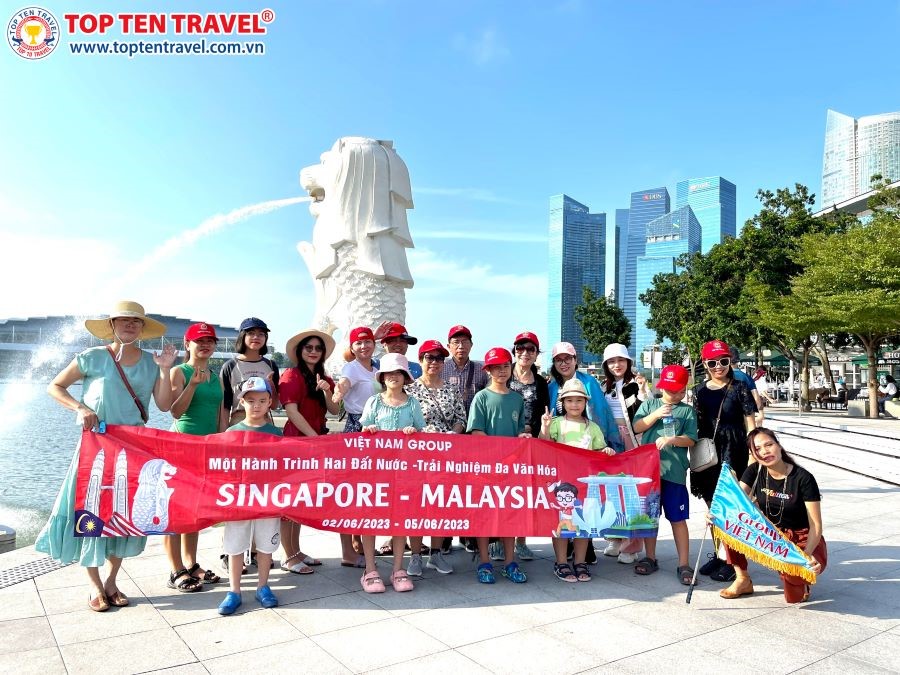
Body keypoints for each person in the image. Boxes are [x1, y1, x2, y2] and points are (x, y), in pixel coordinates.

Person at [36, 301, 177, 612]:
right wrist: (81, 408)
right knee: (92, 514)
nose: (130, 326)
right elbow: (55, 386)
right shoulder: (93, 357)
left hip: (132, 449)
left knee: (123, 515)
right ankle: (94, 585)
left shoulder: (151, 364)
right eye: (123, 321)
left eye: (136, 322)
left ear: (142, 329)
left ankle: (112, 581)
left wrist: (166, 369)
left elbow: (165, 406)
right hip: (95, 448)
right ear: (112, 325)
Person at [718, 428, 826, 603]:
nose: (765, 451)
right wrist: (716, 514)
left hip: (800, 536)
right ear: (753, 454)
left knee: (794, 595)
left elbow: (816, 526)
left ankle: (800, 581)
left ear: (779, 445)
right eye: (758, 449)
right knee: (727, 523)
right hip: (770, 533)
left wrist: (807, 554)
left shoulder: (803, 478)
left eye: (769, 444)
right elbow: (734, 502)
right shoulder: (755, 471)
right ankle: (742, 579)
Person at [358, 353, 425, 593]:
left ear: (405, 377)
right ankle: (370, 568)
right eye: (389, 373)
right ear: (383, 377)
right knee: (370, 517)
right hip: (375, 471)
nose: (393, 377)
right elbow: (363, 431)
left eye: (398, 373)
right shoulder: (374, 402)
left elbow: (421, 432)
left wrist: (412, 432)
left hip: (405, 471)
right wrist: (370, 429)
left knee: (400, 517)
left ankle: (398, 568)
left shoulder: (413, 402)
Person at [166, 322, 225, 592]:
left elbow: (219, 413)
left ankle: (191, 564)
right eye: (199, 341)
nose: (205, 345)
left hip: (207, 448)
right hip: (182, 446)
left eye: (210, 341)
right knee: (177, 508)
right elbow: (175, 411)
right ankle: (175, 569)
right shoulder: (180, 371)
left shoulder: (215, 375)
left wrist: (223, 441)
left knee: (195, 509)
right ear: (186, 345)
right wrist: (191, 384)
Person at [692, 340, 758, 582]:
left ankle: (734, 561)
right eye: (712, 362)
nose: (718, 367)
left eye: (723, 361)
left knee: (730, 507)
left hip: (735, 450)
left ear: (730, 361)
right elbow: (696, 423)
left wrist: (753, 455)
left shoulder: (739, 387)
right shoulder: (698, 391)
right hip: (709, 452)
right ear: (705, 364)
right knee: (713, 507)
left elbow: (751, 424)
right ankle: (721, 555)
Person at [218, 377, 283, 615]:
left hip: (268, 497)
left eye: (262, 401)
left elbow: (284, 465)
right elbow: (222, 465)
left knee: (266, 545)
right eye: (251, 400)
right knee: (235, 545)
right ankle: (234, 590)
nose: (256, 405)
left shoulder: (275, 432)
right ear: (241, 402)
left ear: (269, 404)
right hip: (239, 498)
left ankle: (263, 586)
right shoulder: (232, 432)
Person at [279, 328, 342, 573]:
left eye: (318, 348)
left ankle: (296, 551)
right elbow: (291, 412)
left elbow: (335, 410)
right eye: (309, 348)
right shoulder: (291, 375)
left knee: (301, 499)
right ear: (300, 351)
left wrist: (327, 389)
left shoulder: (323, 376)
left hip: (315, 441)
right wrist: (315, 439)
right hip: (297, 442)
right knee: (289, 500)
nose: (314, 352)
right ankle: (288, 556)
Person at [539, 378, 613, 583]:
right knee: (561, 524)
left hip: (585, 485)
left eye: (578, 400)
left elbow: (600, 451)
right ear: (563, 402)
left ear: (585, 403)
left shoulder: (593, 428)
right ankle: (561, 562)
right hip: (562, 484)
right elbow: (543, 446)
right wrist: (545, 428)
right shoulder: (556, 424)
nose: (574, 404)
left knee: (583, 524)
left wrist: (605, 451)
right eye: (569, 400)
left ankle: (580, 562)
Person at [467, 347, 531, 584]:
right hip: (485, 468)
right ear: (489, 370)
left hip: (511, 468)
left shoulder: (516, 398)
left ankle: (509, 562)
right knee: (484, 516)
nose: (501, 370)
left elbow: (519, 432)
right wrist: (498, 456)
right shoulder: (482, 397)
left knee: (509, 515)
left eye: (505, 366)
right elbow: (476, 432)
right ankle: (484, 562)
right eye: (496, 367)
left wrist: (520, 444)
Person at [632, 365, 698, 585]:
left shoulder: (687, 411)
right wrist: (656, 414)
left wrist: (672, 440)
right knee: (650, 517)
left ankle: (683, 563)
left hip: (674, 473)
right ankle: (650, 557)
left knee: (678, 518)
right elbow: (637, 427)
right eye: (670, 391)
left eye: (679, 391)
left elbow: (691, 439)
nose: (675, 395)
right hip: (649, 472)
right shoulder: (650, 404)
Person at [404, 339, 466, 574]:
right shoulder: (410, 390)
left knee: (441, 504)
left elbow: (461, 418)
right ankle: (416, 555)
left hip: (446, 455)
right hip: (418, 457)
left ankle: (436, 553)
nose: (435, 362)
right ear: (421, 360)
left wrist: (453, 433)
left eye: (439, 358)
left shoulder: (452, 389)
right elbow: (405, 421)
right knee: (417, 505)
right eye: (430, 357)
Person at [598, 343, 647, 564]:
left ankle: (631, 546)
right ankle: (615, 538)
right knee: (610, 492)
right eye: (611, 361)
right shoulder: (603, 387)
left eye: (620, 360)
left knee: (632, 494)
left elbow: (648, 408)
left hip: (632, 440)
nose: (616, 365)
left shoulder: (636, 383)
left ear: (628, 362)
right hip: (610, 440)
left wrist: (644, 390)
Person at [505, 331, 550, 562]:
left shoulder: (541, 382)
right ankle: (500, 541)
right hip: (504, 444)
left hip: (530, 445)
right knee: (501, 495)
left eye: (530, 349)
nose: (525, 353)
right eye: (520, 348)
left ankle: (521, 541)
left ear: (536, 354)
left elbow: (545, 411)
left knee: (524, 495)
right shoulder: (503, 373)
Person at [547, 342, 623, 453]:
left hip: (587, 444)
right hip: (560, 445)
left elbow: (600, 414)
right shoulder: (552, 387)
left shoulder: (589, 383)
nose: (563, 363)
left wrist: (600, 445)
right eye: (558, 360)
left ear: (575, 360)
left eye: (567, 358)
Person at [220, 317, 280, 426]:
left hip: (264, 424)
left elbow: (274, 405)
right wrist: (223, 433)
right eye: (251, 333)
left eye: (261, 334)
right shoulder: (229, 366)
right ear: (242, 336)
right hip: (238, 422)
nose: (256, 337)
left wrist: (271, 384)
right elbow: (224, 406)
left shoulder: (271, 365)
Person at [332, 326, 380, 432]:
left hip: (377, 423)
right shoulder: (351, 367)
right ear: (352, 349)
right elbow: (344, 382)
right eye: (358, 343)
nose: (363, 346)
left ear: (374, 345)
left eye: (367, 342)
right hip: (358, 424)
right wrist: (339, 391)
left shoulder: (376, 370)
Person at [442, 324, 488, 413]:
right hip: (448, 423)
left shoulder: (481, 370)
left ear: (471, 345)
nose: (461, 346)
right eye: (456, 342)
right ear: (448, 346)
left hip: (474, 423)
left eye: (465, 341)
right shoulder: (441, 369)